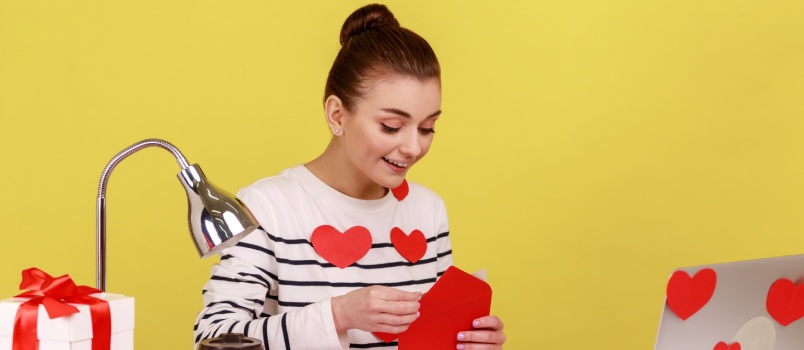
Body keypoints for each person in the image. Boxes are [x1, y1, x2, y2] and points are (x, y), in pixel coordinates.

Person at [194, 4, 506, 349]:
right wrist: (339, 314)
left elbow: (428, 338)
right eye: (392, 126)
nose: (414, 147)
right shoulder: (268, 207)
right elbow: (213, 337)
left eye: (428, 127)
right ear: (337, 115)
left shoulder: (428, 210)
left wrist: (467, 340)